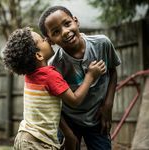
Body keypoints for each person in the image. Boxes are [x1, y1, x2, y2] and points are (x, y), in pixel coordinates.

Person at [3, 27, 106, 150]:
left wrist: (68, 134)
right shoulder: (50, 76)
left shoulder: (30, 76)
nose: (47, 39)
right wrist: (90, 76)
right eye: (42, 40)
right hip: (39, 142)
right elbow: (75, 101)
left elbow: (54, 110)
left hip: (24, 137)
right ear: (39, 55)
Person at [38, 6, 122, 150]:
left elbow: (112, 72)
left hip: (96, 117)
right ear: (50, 40)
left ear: (75, 21)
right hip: (68, 121)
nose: (65, 32)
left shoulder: (102, 44)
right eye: (56, 32)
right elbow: (54, 104)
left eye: (67, 24)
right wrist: (68, 133)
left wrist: (108, 106)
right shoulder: (55, 66)